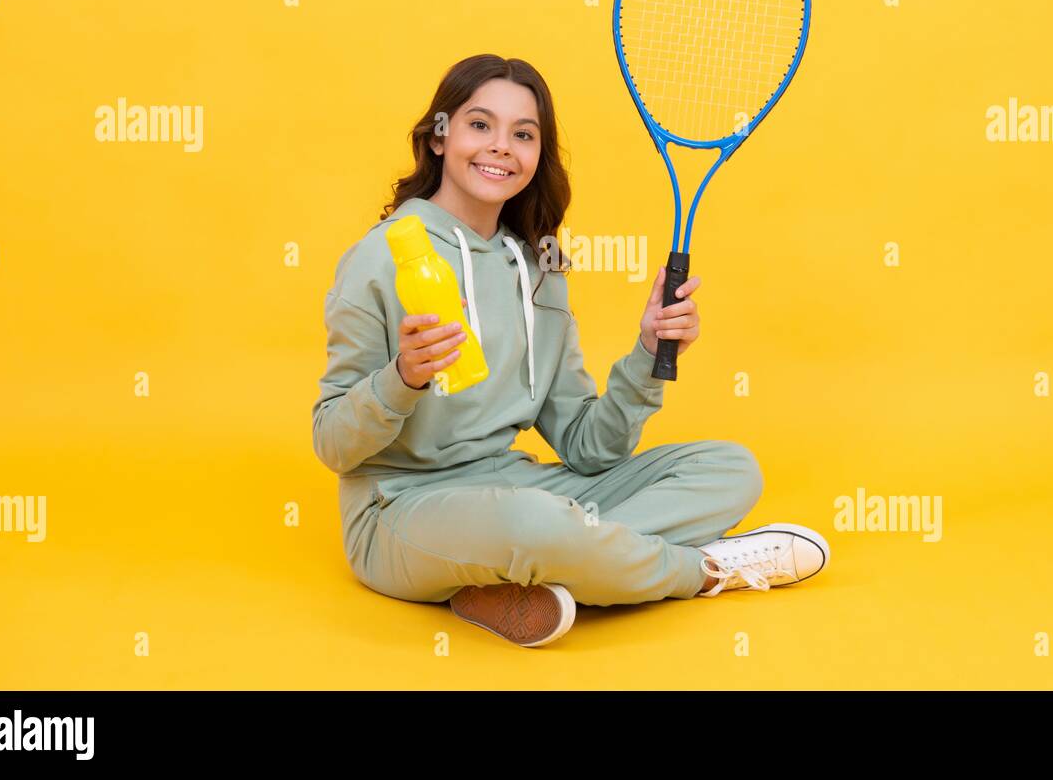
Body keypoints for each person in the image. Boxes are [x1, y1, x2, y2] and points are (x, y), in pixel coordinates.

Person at [311, 53, 830, 647]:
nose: (501, 146)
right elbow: (332, 443)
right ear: (439, 135)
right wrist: (401, 378)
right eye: (480, 125)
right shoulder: (377, 260)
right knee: (534, 523)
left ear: (538, 155)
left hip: (520, 493)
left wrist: (645, 354)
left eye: (523, 134)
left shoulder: (540, 268)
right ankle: (706, 571)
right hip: (397, 510)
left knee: (730, 469)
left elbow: (589, 448)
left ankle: (525, 576)